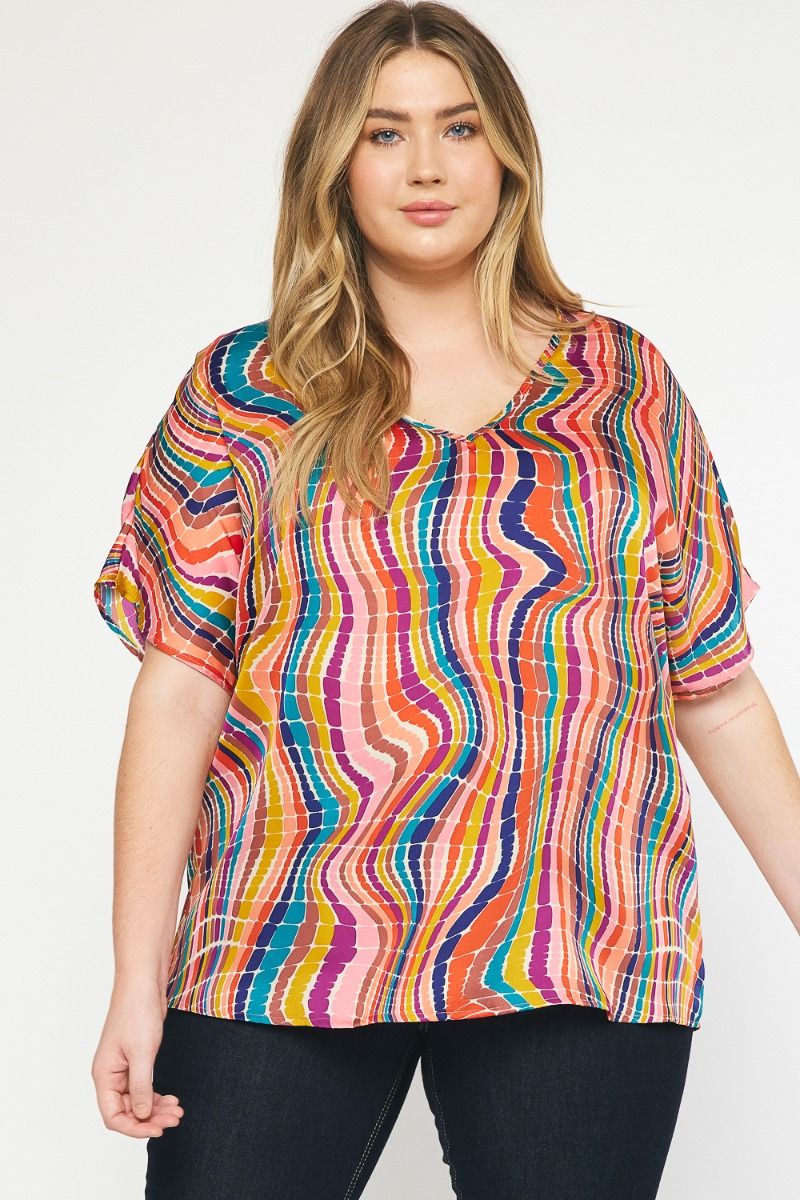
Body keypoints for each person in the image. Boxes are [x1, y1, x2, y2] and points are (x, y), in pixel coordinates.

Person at [89, 3, 798, 1198]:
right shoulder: (247, 392)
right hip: (281, 936)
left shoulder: (620, 386)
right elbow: (179, 689)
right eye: (384, 133)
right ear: (333, 163)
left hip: (574, 936)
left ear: (506, 151)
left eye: (458, 128)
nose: (426, 165)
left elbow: (713, 690)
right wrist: (133, 979)